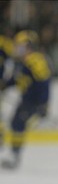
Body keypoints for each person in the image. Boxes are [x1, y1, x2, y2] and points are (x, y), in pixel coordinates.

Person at [0, 30, 51, 169]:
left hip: (32, 101)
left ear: (28, 45)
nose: (17, 48)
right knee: (16, 123)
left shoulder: (35, 60)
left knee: (17, 123)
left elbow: (44, 82)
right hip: (26, 100)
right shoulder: (24, 61)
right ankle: (14, 155)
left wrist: (43, 103)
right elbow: (18, 79)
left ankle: (14, 156)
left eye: (20, 45)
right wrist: (5, 85)